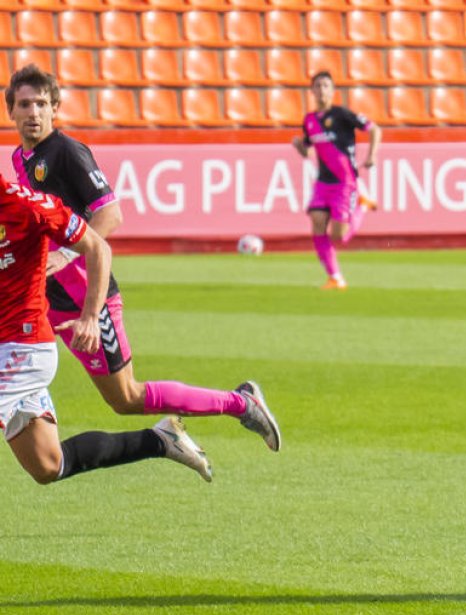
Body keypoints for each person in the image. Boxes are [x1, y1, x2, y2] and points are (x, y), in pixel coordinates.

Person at [5, 66, 280, 464]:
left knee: (127, 396)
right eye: (25, 104)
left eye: (42, 104)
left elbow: (110, 214)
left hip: (87, 296)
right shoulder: (21, 159)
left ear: (56, 108)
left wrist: (68, 260)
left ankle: (240, 402)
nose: (34, 112)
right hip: (49, 300)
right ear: (10, 111)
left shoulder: (67, 152)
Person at [2, 175, 214, 486]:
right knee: (48, 465)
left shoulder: (27, 205)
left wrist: (90, 316)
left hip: (23, 349)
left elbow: (97, 247)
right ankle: (161, 440)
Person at [291, 71, 381, 291]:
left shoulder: (342, 115)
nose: (322, 90)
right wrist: (300, 147)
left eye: (326, 86)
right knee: (317, 221)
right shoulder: (310, 120)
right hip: (323, 182)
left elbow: (374, 129)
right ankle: (335, 278)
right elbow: (308, 151)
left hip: (345, 183)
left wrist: (371, 155)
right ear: (312, 91)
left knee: (339, 237)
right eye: (318, 86)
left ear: (332, 91)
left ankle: (361, 205)